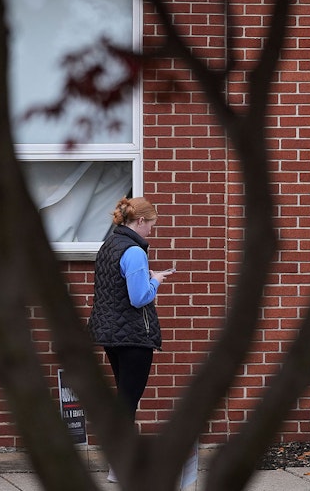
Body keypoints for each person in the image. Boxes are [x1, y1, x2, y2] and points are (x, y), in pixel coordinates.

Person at [87, 196, 173, 483]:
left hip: (111, 334)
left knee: (123, 397)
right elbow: (139, 298)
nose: (151, 231)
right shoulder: (135, 251)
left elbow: (114, 288)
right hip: (134, 335)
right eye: (151, 225)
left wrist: (146, 277)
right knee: (128, 400)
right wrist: (157, 280)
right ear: (139, 221)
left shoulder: (108, 246)